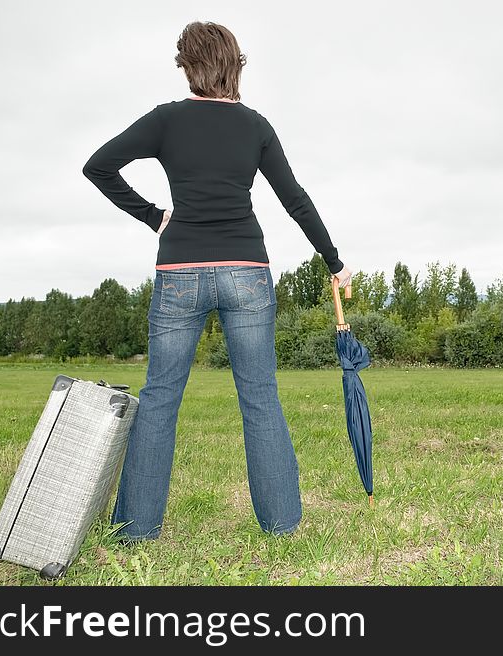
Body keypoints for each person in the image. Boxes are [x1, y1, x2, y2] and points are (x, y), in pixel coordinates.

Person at [82, 20, 352, 541]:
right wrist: (333, 261)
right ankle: (282, 526)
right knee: (260, 397)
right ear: (235, 64)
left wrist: (154, 216)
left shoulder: (166, 120)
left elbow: (99, 166)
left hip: (179, 271)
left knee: (160, 395)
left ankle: (137, 530)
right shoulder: (255, 125)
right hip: (246, 272)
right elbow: (294, 198)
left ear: (187, 65)